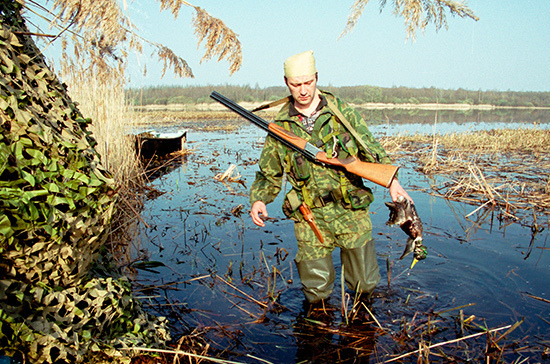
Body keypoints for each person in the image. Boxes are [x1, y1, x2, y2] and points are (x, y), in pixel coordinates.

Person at [249, 50, 411, 304]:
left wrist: (393, 182)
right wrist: (259, 200)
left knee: (365, 284)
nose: (303, 90)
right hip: (309, 216)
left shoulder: (342, 113)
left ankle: (361, 336)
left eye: (308, 82)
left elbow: (371, 149)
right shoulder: (280, 127)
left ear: (316, 77)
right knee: (316, 293)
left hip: (351, 211)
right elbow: (269, 172)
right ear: (286, 83)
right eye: (296, 84)